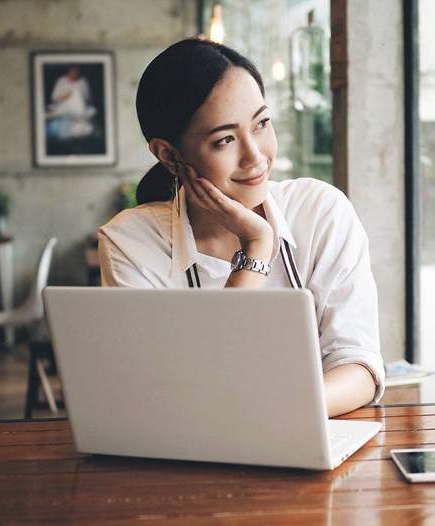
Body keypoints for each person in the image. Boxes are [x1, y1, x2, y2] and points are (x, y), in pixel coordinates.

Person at [98, 39, 385, 417]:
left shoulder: (321, 212)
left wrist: (271, 412)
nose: (255, 157)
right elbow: (175, 397)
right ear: (169, 155)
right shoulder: (132, 244)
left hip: (310, 442)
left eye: (262, 123)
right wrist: (255, 247)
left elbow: (358, 365)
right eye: (225, 140)